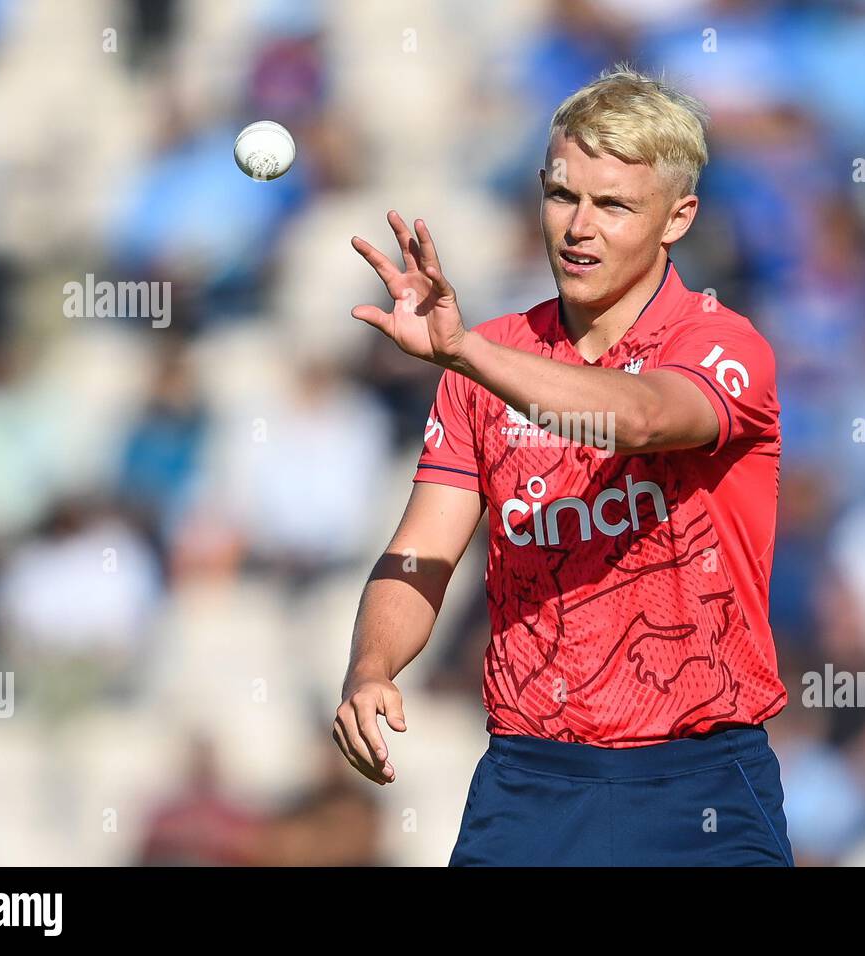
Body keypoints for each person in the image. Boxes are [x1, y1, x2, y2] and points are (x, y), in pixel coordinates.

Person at [332, 64, 792, 866]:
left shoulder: (722, 345)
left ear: (677, 218)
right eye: (561, 195)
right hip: (530, 780)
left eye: (614, 205)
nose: (579, 226)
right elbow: (422, 552)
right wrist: (370, 667)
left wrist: (466, 352)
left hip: (700, 781)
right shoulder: (490, 363)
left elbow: (641, 417)